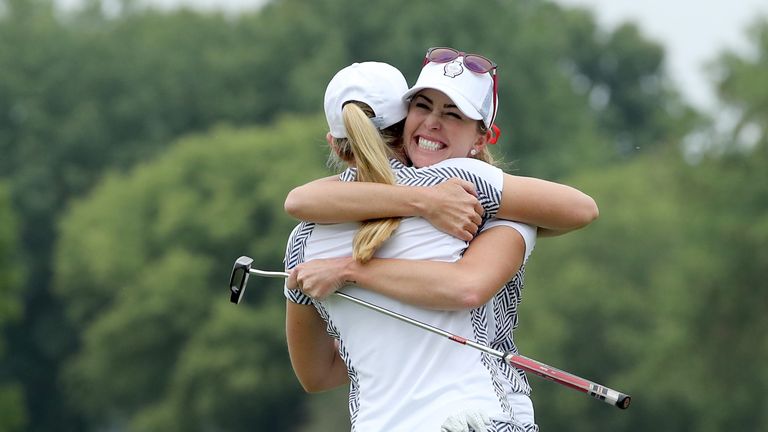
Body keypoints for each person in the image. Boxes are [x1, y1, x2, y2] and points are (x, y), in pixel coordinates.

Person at [284, 53, 596, 431]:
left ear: (334, 143)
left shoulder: (301, 242)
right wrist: (424, 203)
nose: (432, 123)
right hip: (475, 419)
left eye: (452, 113)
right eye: (423, 106)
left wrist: (355, 283)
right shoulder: (466, 184)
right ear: (402, 124)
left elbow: (316, 375)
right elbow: (581, 209)